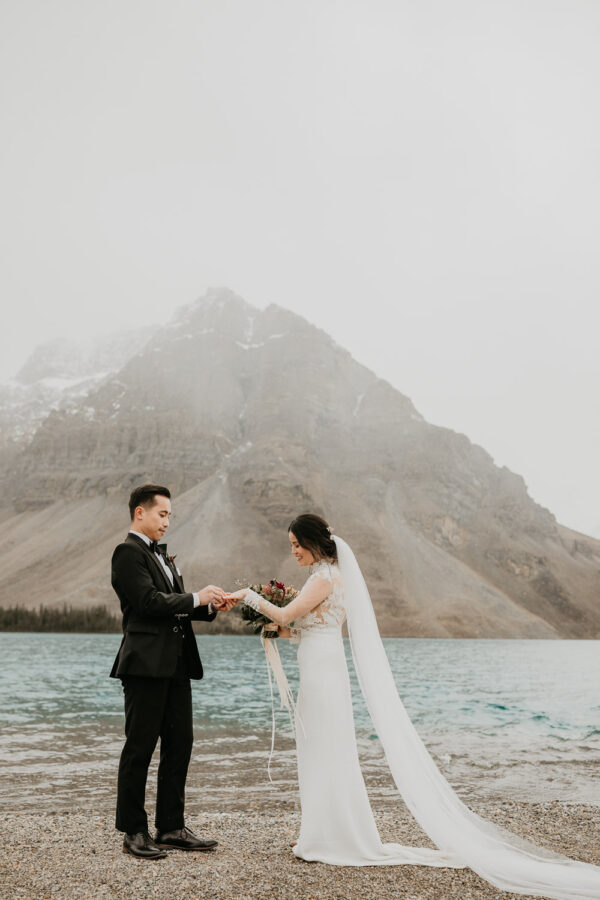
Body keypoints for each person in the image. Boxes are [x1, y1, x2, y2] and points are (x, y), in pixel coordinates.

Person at [225, 513, 600, 899]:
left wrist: (248, 598)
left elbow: (288, 614)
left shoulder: (323, 577)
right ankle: (321, 832)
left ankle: (329, 837)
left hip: (322, 673)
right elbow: (303, 626)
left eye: (295, 545)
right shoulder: (331, 577)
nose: (292, 552)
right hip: (323, 665)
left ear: (312, 543)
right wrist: (273, 626)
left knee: (322, 750)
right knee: (325, 750)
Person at [110, 483, 234, 860]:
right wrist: (197, 595)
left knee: (180, 744)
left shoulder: (163, 557)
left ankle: (171, 827)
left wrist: (210, 606)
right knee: (140, 747)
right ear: (140, 513)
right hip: (145, 666)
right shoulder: (126, 554)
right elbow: (148, 603)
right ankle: (133, 830)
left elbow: (174, 606)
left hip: (177, 666)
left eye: (169, 516)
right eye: (162, 514)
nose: (167, 522)